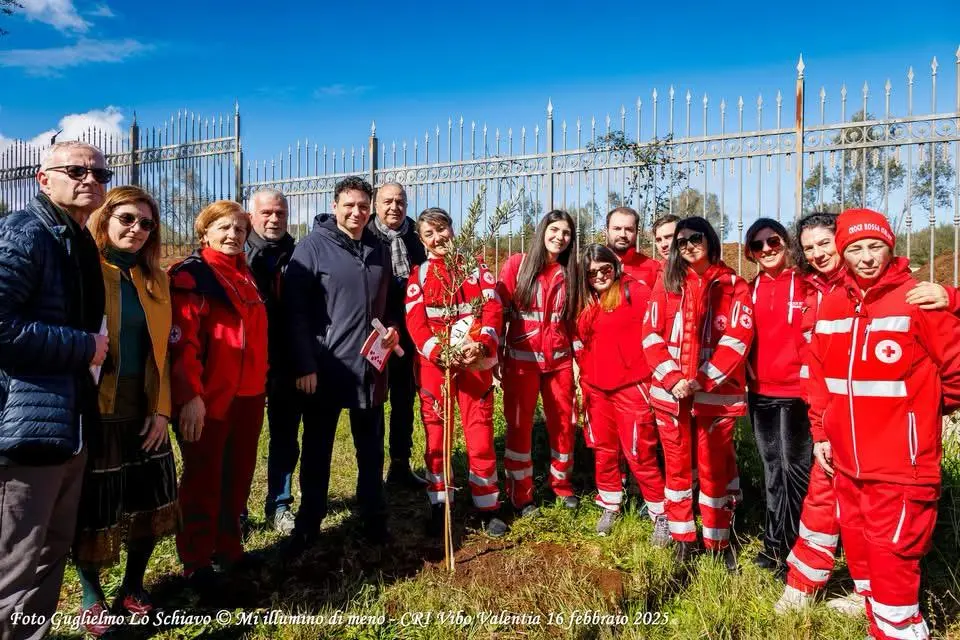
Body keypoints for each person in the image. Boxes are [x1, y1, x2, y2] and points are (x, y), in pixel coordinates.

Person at [777, 212, 958, 614]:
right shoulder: (818, 293)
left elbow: (946, 364)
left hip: (889, 443)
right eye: (809, 249)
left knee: (879, 530)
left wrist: (917, 413)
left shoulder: (909, 297)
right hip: (834, 425)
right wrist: (822, 429)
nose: (819, 254)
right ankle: (811, 584)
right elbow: (819, 368)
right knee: (829, 509)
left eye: (825, 243)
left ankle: (876, 600)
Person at [0, 141, 108, 640]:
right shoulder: (24, 234)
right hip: (28, 426)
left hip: (71, 424)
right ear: (44, 179)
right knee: (16, 562)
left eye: (99, 172)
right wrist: (83, 345)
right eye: (76, 170)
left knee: (51, 551)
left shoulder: (77, 239)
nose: (91, 179)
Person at [72, 187, 179, 635]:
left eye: (146, 223)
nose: (137, 229)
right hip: (96, 407)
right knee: (94, 507)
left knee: (148, 499)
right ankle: (92, 595)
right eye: (128, 219)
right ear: (105, 218)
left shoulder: (157, 279)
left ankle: (134, 585)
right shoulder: (83, 271)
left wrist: (162, 411)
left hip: (146, 406)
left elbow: (164, 354)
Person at [285, 176, 400, 549]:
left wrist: (394, 330)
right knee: (318, 448)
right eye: (349, 205)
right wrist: (304, 365)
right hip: (328, 367)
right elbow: (295, 312)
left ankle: (373, 515)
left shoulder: (379, 248)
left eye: (363, 206)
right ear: (334, 206)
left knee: (371, 448)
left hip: (370, 367)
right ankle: (309, 521)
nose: (356, 212)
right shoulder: (311, 248)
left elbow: (390, 304)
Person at [641, 216, 752, 572]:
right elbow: (650, 334)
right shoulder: (667, 284)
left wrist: (701, 380)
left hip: (714, 396)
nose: (689, 245)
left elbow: (738, 340)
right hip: (672, 394)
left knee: (713, 470)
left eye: (695, 237)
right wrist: (674, 378)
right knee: (676, 470)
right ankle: (683, 538)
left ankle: (719, 542)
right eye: (682, 241)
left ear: (711, 239)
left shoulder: (734, 285)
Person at [168, 201, 268, 596]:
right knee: (203, 479)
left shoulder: (246, 275)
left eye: (241, 230)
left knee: (238, 476)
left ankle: (229, 548)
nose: (233, 236)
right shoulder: (192, 276)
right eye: (224, 228)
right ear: (205, 232)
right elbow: (182, 344)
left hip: (249, 394)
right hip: (209, 398)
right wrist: (190, 395)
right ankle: (196, 561)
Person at [404, 208, 507, 537]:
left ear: (453, 230)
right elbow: (415, 323)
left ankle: (487, 504)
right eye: (429, 234)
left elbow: (492, 307)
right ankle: (440, 503)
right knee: (438, 438)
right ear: (422, 241)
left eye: (442, 229)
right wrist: (440, 352)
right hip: (436, 368)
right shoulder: (418, 276)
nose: (438, 238)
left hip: (474, 363)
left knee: (480, 437)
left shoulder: (476, 269)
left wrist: (480, 344)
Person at [576, 244, 670, 541]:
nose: (599, 276)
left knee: (639, 451)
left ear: (615, 267)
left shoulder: (636, 291)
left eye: (605, 269)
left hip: (631, 386)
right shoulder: (585, 300)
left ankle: (661, 513)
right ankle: (610, 503)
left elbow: (660, 327)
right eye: (591, 273)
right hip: (596, 388)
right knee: (604, 450)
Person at [497, 210, 581, 515]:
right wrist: (493, 353)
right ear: (543, 230)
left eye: (567, 233)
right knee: (519, 427)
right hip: (521, 363)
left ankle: (560, 484)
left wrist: (579, 363)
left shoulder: (570, 272)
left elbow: (575, 322)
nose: (560, 237)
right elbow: (499, 311)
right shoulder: (517, 266)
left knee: (564, 425)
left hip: (559, 364)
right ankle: (521, 493)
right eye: (555, 230)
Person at [743, 218, 811, 575]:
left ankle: (801, 552)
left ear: (786, 242)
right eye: (758, 246)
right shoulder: (750, 288)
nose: (767, 249)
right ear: (750, 253)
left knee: (796, 472)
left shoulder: (805, 282)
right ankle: (774, 546)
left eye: (773, 241)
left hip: (798, 394)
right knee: (772, 471)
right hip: (761, 394)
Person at [246, 188, 301, 534]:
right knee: (242, 439)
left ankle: (279, 503)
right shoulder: (237, 251)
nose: (274, 219)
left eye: (280, 213)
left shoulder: (297, 253)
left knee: (285, 436)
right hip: (245, 362)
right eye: (266, 213)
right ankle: (235, 509)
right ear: (251, 215)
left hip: (284, 360)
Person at [368, 182, 428, 487]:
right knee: (375, 401)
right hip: (375, 332)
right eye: (388, 201)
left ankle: (400, 465)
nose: (395, 207)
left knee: (405, 399)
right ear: (376, 205)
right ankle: (372, 469)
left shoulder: (418, 235)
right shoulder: (365, 235)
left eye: (400, 201)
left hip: (410, 332)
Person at [605, 206, 660, 286]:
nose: (622, 234)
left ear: (636, 232)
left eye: (629, 229)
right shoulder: (592, 266)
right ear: (606, 231)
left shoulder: (653, 268)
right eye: (617, 229)